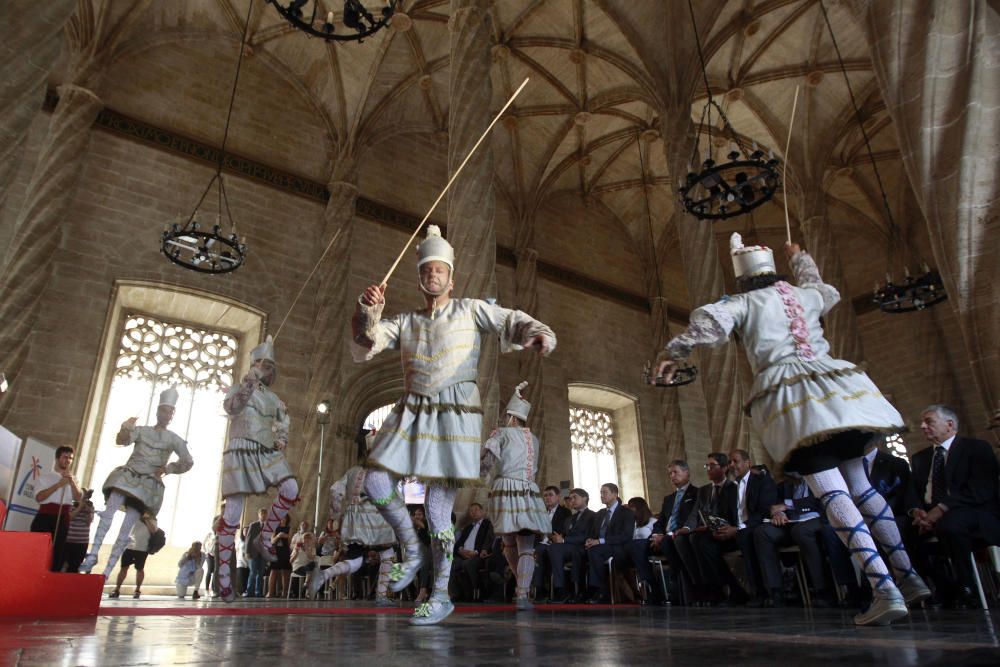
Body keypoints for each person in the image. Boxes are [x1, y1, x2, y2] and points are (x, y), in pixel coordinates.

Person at [655, 234, 930, 625]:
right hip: (841, 393)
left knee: (832, 491)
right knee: (862, 486)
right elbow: (825, 291)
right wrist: (800, 259)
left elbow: (709, 328)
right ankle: (909, 576)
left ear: (743, 280)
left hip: (797, 402)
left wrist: (674, 351)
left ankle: (884, 588)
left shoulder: (744, 302)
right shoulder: (804, 296)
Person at [351, 224, 557, 625]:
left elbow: (508, 319)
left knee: (437, 509)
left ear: (450, 276)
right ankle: (411, 548)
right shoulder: (407, 321)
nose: (433, 275)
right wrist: (367, 308)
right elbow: (367, 344)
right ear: (419, 278)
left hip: (455, 413)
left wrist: (537, 334)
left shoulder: (470, 308)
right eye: (426, 270)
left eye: (439, 270)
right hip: (412, 409)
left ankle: (441, 593)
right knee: (375, 480)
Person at [215, 336, 300, 602]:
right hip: (240, 449)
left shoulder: (275, 399)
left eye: (271, 367)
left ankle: (265, 537)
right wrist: (250, 381)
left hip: (266, 451)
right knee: (233, 512)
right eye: (264, 365)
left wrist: (282, 440)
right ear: (254, 365)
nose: (268, 370)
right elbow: (232, 407)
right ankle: (225, 580)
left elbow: (283, 422)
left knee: (291, 487)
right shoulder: (237, 388)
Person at [81, 387, 193, 579]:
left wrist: (168, 468)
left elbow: (188, 461)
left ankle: (107, 571)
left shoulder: (174, 439)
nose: (167, 415)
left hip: (147, 483)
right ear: (158, 411)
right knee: (108, 512)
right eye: (164, 410)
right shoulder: (142, 431)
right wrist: (126, 427)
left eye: (171, 412)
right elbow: (122, 440)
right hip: (129, 473)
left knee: (127, 527)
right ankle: (92, 554)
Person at [907, 405, 1000, 606]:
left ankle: (968, 587)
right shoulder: (920, 458)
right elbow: (913, 492)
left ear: (949, 425)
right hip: (930, 515)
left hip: (973, 512)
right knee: (898, 534)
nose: (922, 426)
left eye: (929, 421)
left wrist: (940, 509)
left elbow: (980, 490)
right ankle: (944, 587)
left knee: (950, 525)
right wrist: (918, 511)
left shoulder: (976, 448)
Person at [480, 382, 551, 610]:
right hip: (528, 491)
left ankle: (522, 589)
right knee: (526, 545)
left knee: (509, 542)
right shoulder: (535, 439)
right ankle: (523, 593)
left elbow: (488, 459)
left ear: (510, 417)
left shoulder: (501, 432)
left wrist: (479, 475)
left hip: (506, 490)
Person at [308, 466, 397, 606]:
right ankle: (381, 595)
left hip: (355, 521)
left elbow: (335, 489)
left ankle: (324, 575)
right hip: (375, 517)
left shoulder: (352, 471)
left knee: (355, 561)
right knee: (388, 554)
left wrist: (335, 515)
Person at [30, 445, 82, 571]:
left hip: (63, 518)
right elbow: (39, 498)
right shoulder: (45, 477)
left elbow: (78, 498)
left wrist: (71, 482)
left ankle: (52, 575)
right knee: (39, 547)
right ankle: (34, 572)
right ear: (58, 458)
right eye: (65, 457)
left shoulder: (73, 479)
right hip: (45, 517)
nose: (68, 460)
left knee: (58, 550)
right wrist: (59, 485)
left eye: (70, 458)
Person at [584, 483, 636, 604]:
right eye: (601, 493)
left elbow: (625, 536)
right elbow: (592, 533)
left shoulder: (626, 512)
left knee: (594, 551)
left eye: (605, 492)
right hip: (599, 546)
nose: (602, 495)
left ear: (615, 494)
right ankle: (583, 590)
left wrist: (600, 541)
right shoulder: (600, 514)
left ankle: (601, 590)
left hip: (618, 548)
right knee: (583, 551)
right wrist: (589, 540)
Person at [107, 522, 151, 599]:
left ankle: (137, 590)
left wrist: (147, 520)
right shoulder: (134, 516)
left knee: (140, 569)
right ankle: (117, 589)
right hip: (129, 547)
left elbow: (154, 531)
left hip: (142, 548)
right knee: (124, 567)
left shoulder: (151, 519)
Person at [62, 488, 95, 573]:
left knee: (75, 566)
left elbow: (88, 522)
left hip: (82, 541)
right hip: (68, 540)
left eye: (85, 495)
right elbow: (70, 517)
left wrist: (88, 509)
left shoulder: (90, 506)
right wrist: (80, 506)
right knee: (63, 565)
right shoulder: (69, 505)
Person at [267, 514, 293, 598]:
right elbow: (272, 541)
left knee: (285, 572)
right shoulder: (275, 528)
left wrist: (286, 536)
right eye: (281, 517)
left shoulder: (289, 528)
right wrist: (278, 536)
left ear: (287, 519)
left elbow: (290, 540)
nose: (283, 519)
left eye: (284, 517)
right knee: (274, 571)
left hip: (285, 551)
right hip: (276, 551)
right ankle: (270, 592)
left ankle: (285, 593)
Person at [244, 508, 267, 598]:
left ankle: (258, 592)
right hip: (253, 552)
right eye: (262, 513)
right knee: (253, 572)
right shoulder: (253, 525)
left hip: (263, 553)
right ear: (259, 515)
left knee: (260, 573)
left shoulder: (268, 526)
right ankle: (249, 591)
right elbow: (248, 539)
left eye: (265, 513)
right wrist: (247, 552)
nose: (263, 515)